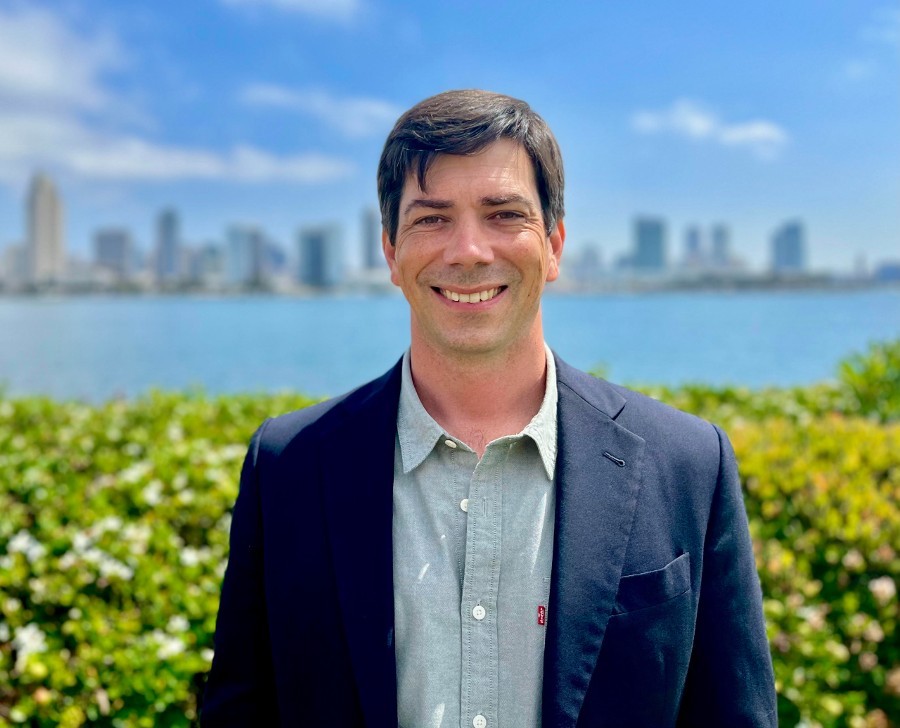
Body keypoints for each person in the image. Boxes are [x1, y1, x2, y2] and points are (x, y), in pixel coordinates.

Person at [202, 89, 777, 728]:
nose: (469, 251)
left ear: (554, 244)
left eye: (504, 215)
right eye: (432, 218)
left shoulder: (689, 464)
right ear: (390, 251)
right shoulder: (288, 465)